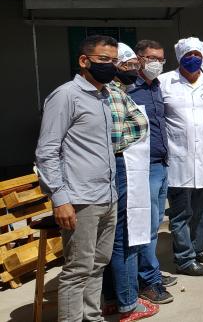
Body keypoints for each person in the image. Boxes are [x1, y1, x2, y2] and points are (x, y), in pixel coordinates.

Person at [35, 35, 120, 322]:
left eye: (114, 61)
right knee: (77, 269)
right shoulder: (66, 96)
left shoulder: (103, 95)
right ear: (84, 61)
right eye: (104, 59)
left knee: (98, 264)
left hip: (107, 196)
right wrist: (60, 199)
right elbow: (47, 151)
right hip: (80, 199)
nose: (110, 65)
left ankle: (92, 317)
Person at [101, 43, 156, 321]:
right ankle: (128, 303)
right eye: (129, 65)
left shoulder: (120, 92)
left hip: (128, 167)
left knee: (113, 236)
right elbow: (116, 137)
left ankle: (113, 297)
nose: (135, 70)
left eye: (136, 65)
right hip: (122, 167)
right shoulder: (111, 94)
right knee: (124, 237)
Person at [160, 37, 203, 276]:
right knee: (181, 212)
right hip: (178, 159)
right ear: (179, 58)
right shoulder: (165, 82)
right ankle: (185, 259)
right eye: (189, 55)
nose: (194, 59)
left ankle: (199, 248)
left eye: (197, 55)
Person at [129, 40, 176, 305]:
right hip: (142, 167)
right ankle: (148, 281)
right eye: (151, 58)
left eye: (160, 59)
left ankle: (151, 271)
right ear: (139, 59)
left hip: (161, 163)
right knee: (145, 226)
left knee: (155, 223)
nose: (156, 63)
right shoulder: (129, 88)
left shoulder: (156, 86)